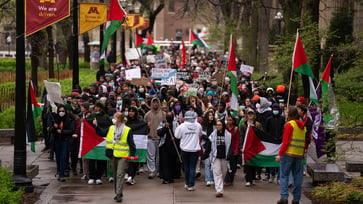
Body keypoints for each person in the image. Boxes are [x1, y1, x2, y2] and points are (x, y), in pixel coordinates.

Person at [94, 112, 136, 203]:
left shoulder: (127, 130)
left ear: (119, 119)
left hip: (123, 156)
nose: (113, 119)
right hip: (112, 155)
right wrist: (96, 126)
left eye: (115, 117)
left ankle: (118, 194)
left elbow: (131, 143)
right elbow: (102, 133)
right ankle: (118, 192)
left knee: (120, 174)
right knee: (114, 175)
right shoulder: (111, 128)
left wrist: (132, 154)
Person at [276, 106, 306, 204]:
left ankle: (284, 197)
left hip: (288, 153)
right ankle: (296, 199)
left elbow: (285, 142)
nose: (285, 113)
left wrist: (280, 154)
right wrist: (302, 155)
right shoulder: (303, 126)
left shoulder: (289, 125)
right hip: (298, 154)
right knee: (298, 177)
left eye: (286, 112)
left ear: (290, 114)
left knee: (284, 175)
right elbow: (304, 143)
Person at [175, 111, 203, 191]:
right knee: (192, 167)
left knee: (186, 167)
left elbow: (177, 136)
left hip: (185, 149)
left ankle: (187, 183)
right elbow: (200, 134)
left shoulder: (182, 126)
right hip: (194, 149)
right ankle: (191, 184)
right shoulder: (198, 125)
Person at [203, 120, 231, 198]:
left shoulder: (228, 135)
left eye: (220, 125)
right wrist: (205, 155)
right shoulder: (213, 135)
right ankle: (219, 190)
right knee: (217, 173)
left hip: (224, 157)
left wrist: (229, 155)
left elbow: (230, 146)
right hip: (215, 157)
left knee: (223, 172)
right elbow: (209, 145)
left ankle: (220, 186)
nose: (218, 126)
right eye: (217, 125)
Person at [86, 102, 112, 185]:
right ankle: (91, 176)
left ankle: (98, 176)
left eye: (98, 107)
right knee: (92, 159)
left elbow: (109, 127)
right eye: (95, 107)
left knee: (101, 159)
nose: (96, 109)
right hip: (92, 140)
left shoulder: (106, 117)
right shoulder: (91, 116)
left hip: (102, 140)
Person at [125, 106, 149, 185]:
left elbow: (145, 131)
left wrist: (147, 126)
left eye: (132, 111)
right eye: (129, 111)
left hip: (136, 145)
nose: (131, 113)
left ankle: (131, 176)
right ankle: (128, 174)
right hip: (126, 146)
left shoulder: (140, 123)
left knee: (134, 160)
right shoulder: (126, 123)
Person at [144, 97, 166, 179]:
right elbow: (144, 125)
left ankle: (158, 170)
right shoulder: (148, 115)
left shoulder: (163, 114)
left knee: (159, 156)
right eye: (154, 102)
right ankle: (151, 171)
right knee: (151, 156)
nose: (155, 104)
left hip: (160, 138)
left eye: (157, 102)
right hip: (150, 137)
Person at [52, 104, 75, 182]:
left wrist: (62, 131)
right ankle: (58, 171)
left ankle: (62, 174)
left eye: (63, 111)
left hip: (65, 140)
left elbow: (71, 130)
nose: (61, 112)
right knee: (58, 157)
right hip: (56, 141)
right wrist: (54, 127)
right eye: (60, 111)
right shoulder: (55, 119)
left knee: (63, 157)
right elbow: (50, 131)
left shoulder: (69, 120)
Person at [157, 111, 181, 184]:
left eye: (170, 115)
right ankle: (166, 177)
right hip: (164, 145)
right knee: (165, 162)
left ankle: (172, 176)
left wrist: (175, 138)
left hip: (173, 145)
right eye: (168, 115)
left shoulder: (176, 123)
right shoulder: (162, 123)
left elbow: (179, 133)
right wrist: (165, 127)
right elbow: (159, 132)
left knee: (172, 162)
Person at [240, 108, 262, 187]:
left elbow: (261, 135)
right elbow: (241, 136)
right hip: (246, 146)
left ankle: (253, 178)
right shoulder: (243, 125)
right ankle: (248, 179)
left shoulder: (257, 125)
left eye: (251, 114)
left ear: (254, 115)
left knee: (254, 163)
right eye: (249, 114)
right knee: (248, 163)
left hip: (254, 146)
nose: (250, 115)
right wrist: (241, 146)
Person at [265, 103, 285, 183]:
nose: (275, 111)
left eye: (277, 109)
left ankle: (279, 177)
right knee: (272, 159)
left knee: (280, 159)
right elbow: (266, 130)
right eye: (274, 109)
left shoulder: (282, 119)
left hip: (280, 141)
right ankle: (272, 174)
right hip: (271, 141)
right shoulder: (269, 119)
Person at [201, 110, 216, 186]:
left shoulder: (215, 125)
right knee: (207, 163)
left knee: (213, 163)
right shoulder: (204, 126)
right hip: (206, 145)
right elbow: (201, 134)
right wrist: (206, 137)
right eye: (209, 115)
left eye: (212, 115)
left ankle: (213, 178)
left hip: (213, 145)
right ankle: (208, 179)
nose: (211, 116)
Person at [224, 116, 240, 186]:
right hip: (226, 149)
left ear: (233, 121)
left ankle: (231, 179)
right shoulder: (225, 129)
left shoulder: (236, 129)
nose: (229, 122)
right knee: (226, 166)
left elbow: (237, 140)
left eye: (230, 120)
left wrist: (236, 150)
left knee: (233, 166)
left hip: (233, 149)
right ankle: (227, 180)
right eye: (228, 120)